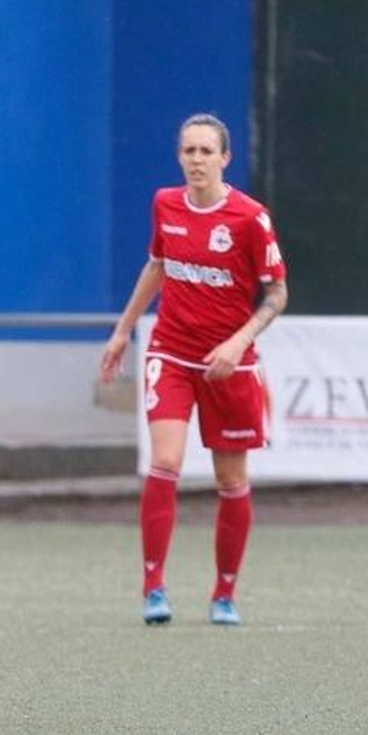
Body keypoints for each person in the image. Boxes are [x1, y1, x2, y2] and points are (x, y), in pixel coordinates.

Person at [101, 112, 287, 627]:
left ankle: (224, 594)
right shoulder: (165, 203)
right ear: (179, 156)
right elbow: (157, 265)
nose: (197, 160)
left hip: (230, 364)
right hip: (172, 352)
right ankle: (153, 587)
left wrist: (238, 342)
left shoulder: (251, 219)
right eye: (190, 151)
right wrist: (123, 331)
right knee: (165, 462)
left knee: (231, 479)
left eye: (207, 151)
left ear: (225, 158)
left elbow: (277, 293)